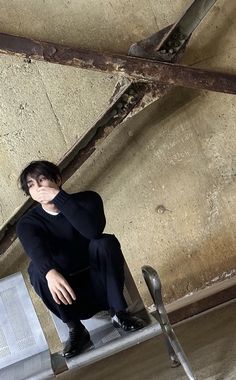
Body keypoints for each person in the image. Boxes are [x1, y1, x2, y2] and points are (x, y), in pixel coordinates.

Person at [16, 160, 145, 359]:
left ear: (58, 179)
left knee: (104, 242)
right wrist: (50, 272)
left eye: (42, 180)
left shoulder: (88, 200)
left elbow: (92, 231)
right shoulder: (28, 223)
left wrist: (59, 198)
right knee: (37, 270)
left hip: (102, 285)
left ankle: (119, 314)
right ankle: (76, 329)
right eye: (32, 185)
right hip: (70, 294)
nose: (39, 188)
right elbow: (36, 250)